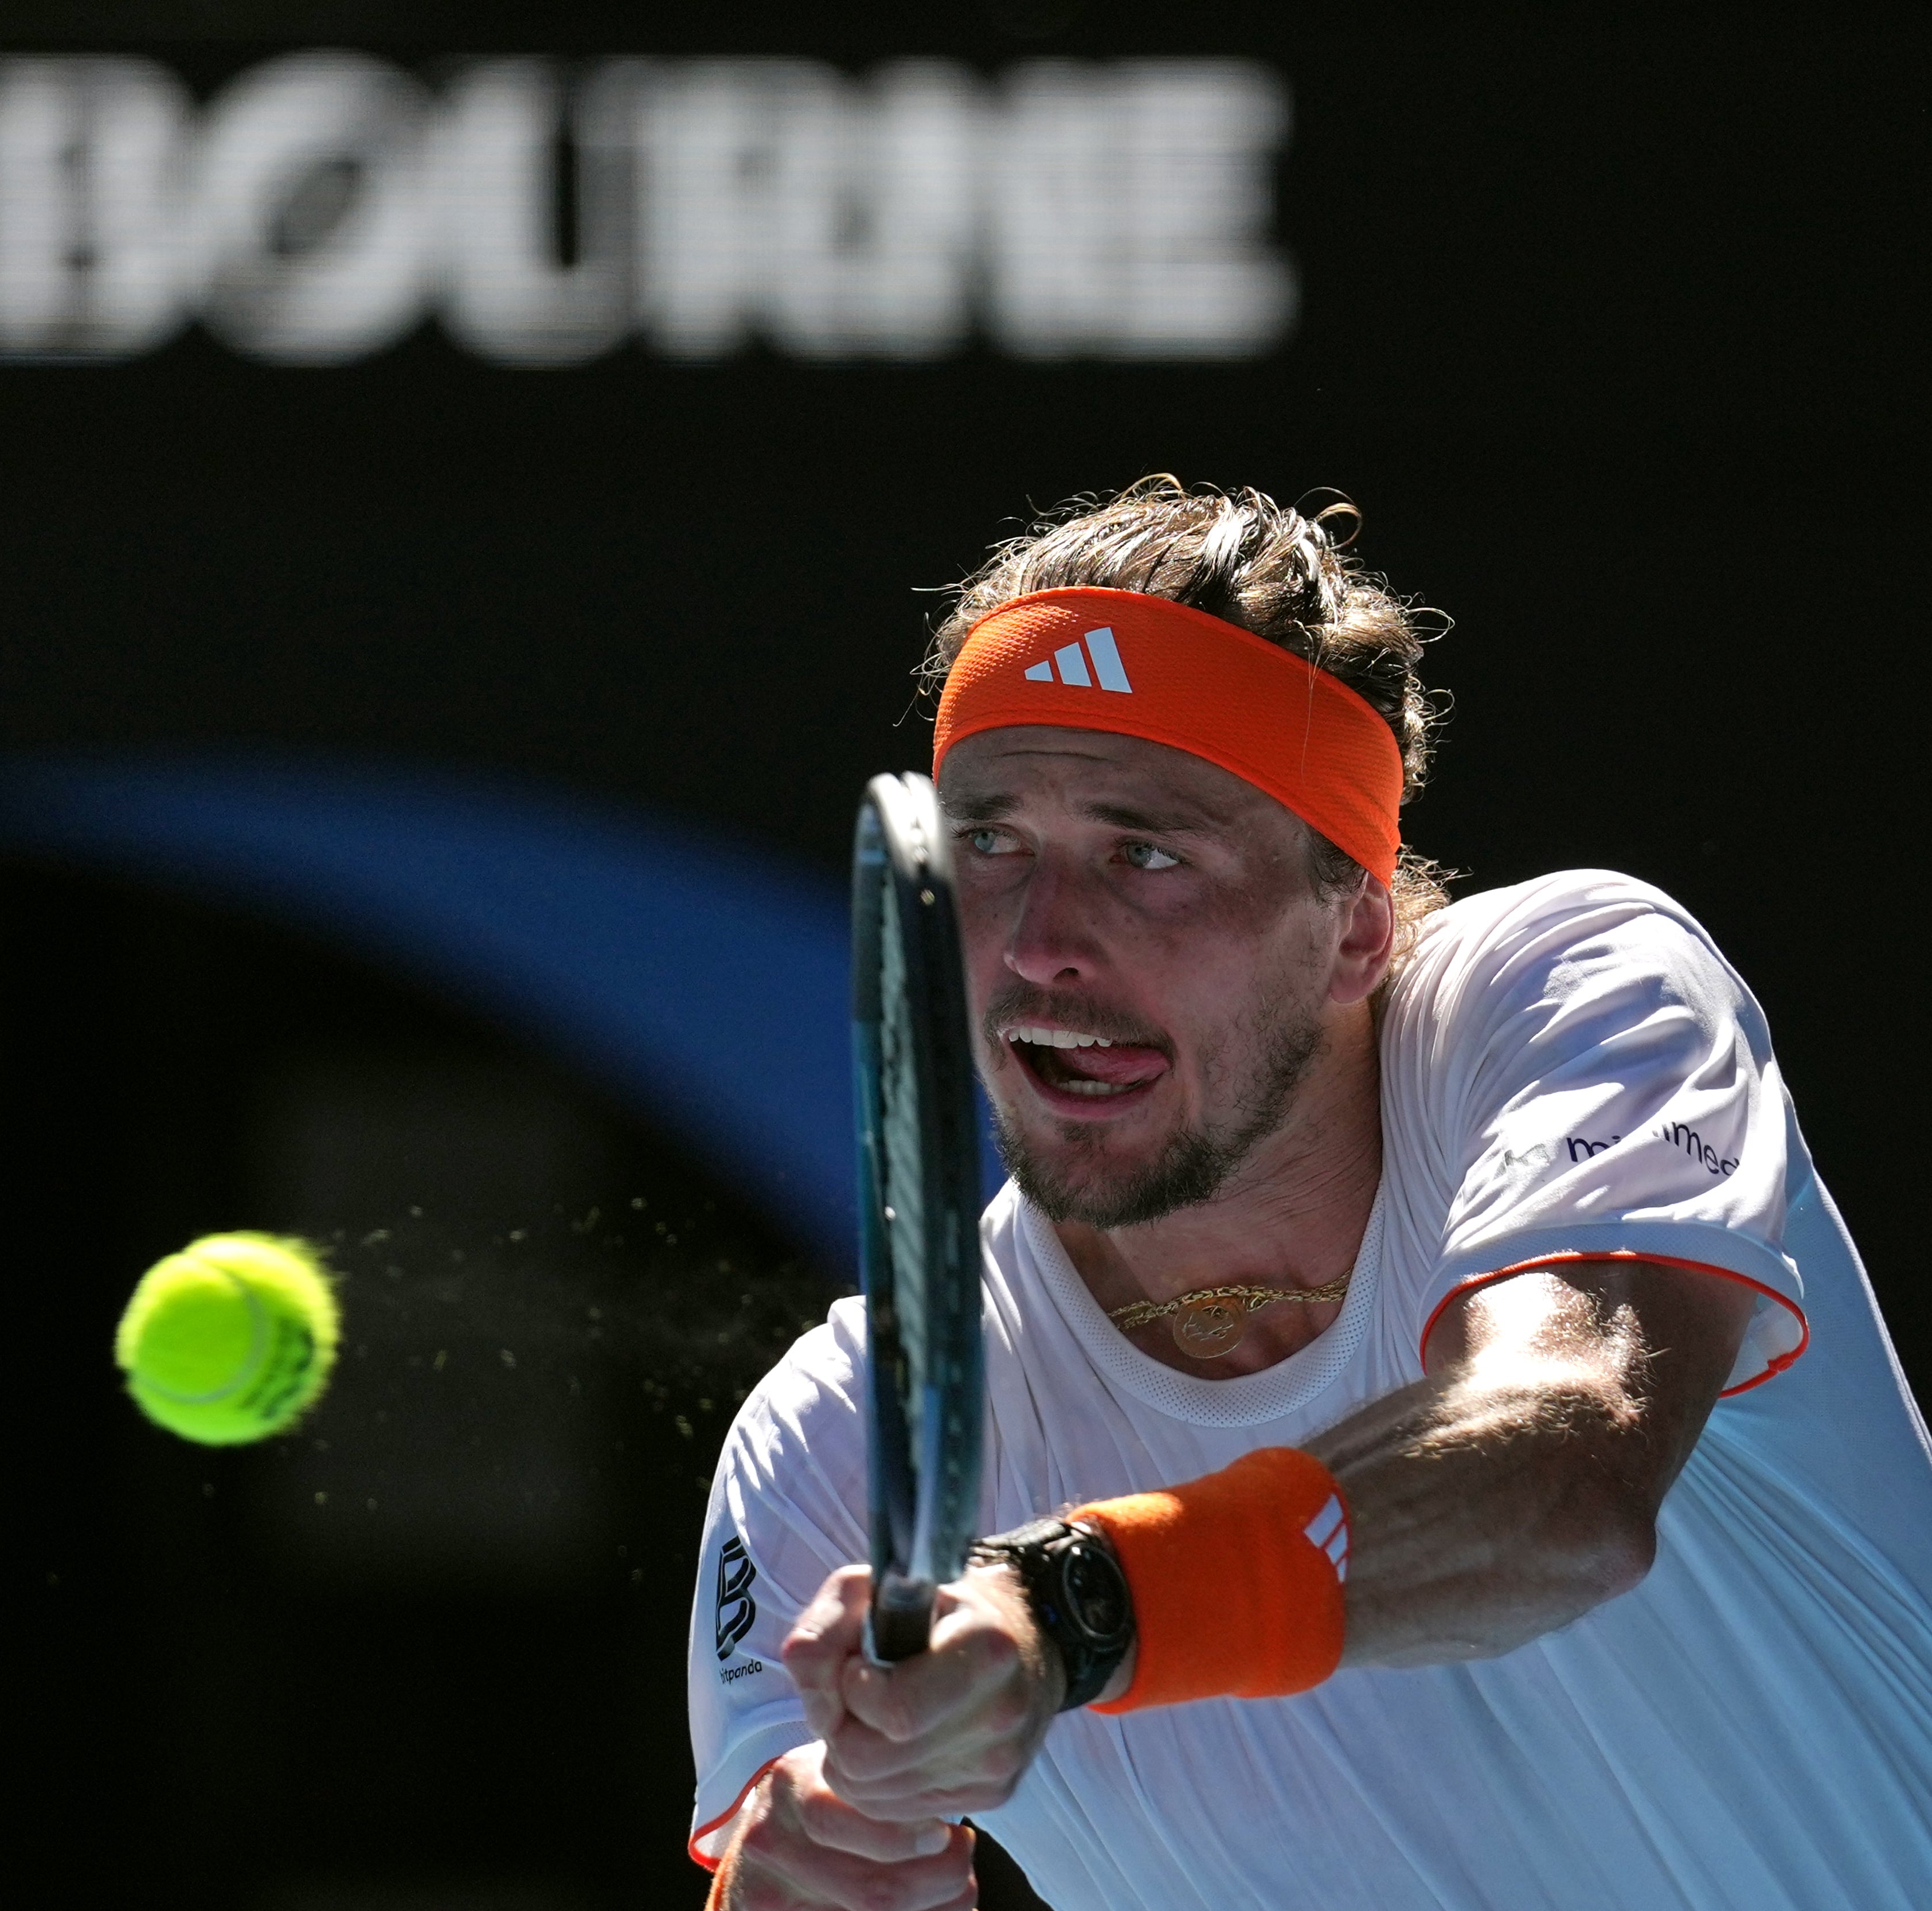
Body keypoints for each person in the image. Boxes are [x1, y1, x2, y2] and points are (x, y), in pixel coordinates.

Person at [686, 477, 1932, 1910]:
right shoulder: (830, 1440)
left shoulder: (1569, 987)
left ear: (1354, 925)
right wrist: (813, 1883)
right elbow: (818, 1870)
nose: (1039, 944)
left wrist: (1069, 1607)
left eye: (1144, 853)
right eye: (989, 843)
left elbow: (1562, 1469)